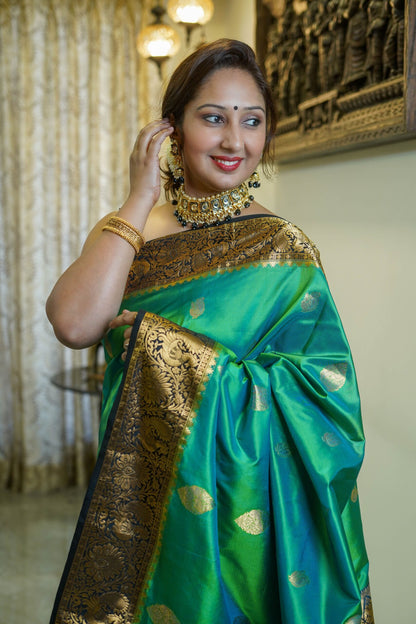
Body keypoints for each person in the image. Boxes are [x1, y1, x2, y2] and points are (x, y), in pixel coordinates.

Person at [47, 39, 373, 624]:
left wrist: (169, 351)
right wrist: (139, 198)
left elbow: (328, 395)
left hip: (255, 518)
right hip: (148, 493)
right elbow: (73, 324)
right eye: (213, 118)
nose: (234, 142)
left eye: (252, 121)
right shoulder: (130, 227)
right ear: (172, 128)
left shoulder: (283, 249)